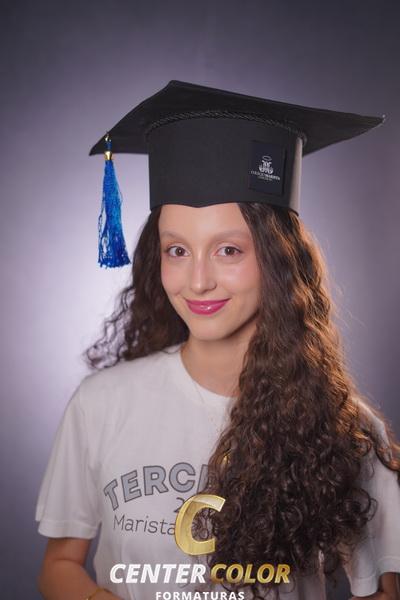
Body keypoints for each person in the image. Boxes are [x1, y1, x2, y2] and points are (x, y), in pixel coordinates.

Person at [35, 81, 400, 600]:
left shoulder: (347, 429)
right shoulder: (102, 404)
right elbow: (59, 565)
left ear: (277, 259)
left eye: (228, 250)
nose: (198, 281)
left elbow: (383, 591)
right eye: (177, 250)